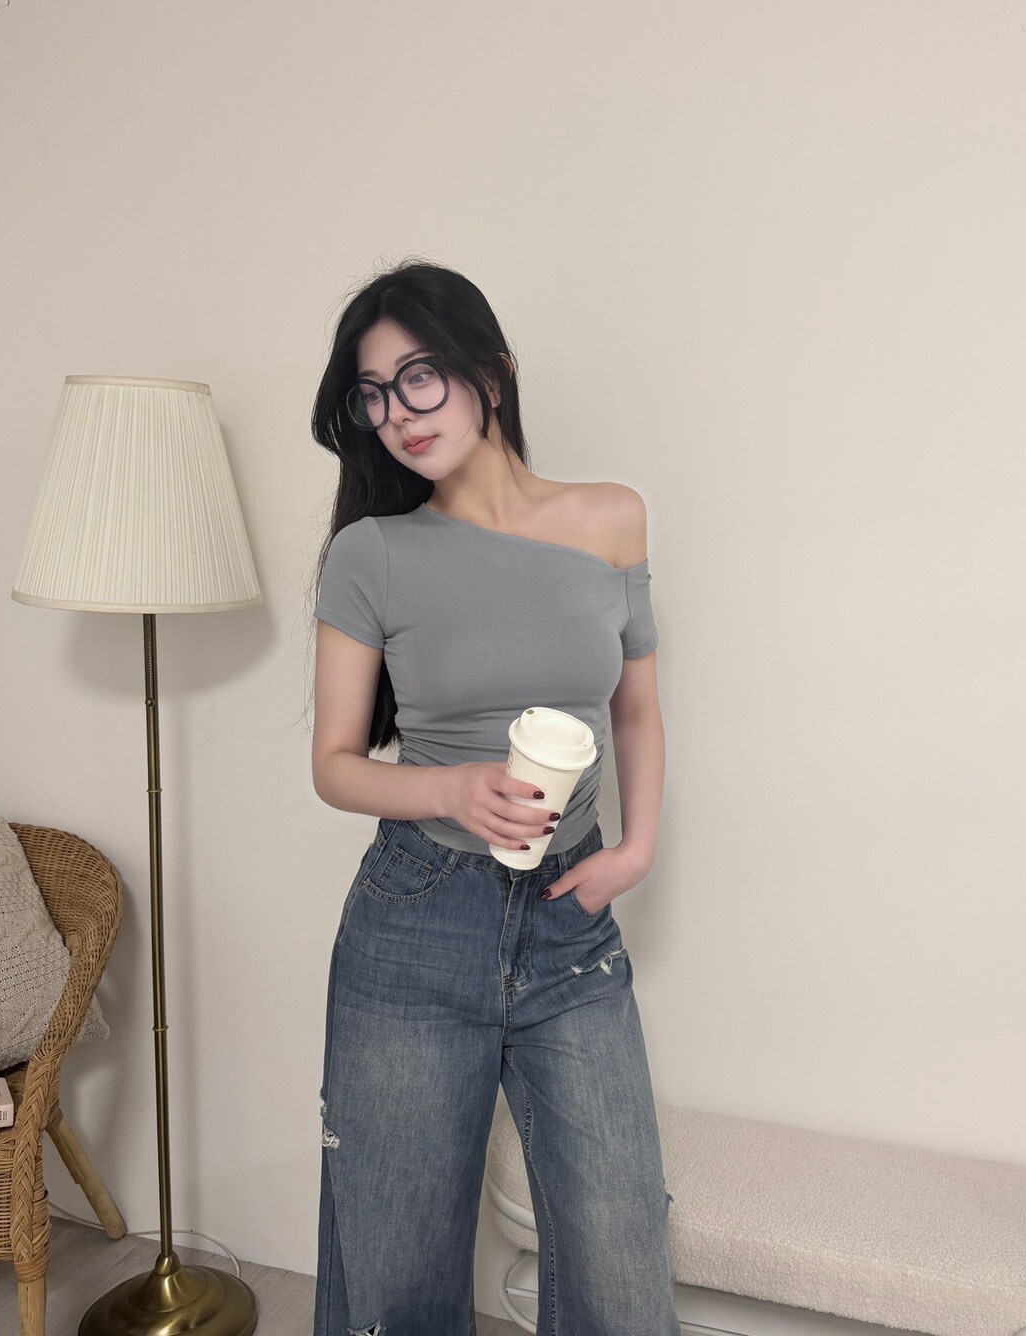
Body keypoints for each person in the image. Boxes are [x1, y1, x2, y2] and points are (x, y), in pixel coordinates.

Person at [309, 261, 678, 1336]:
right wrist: (453, 788)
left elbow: (637, 712)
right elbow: (335, 763)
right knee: (398, 1283)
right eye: (373, 394)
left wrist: (636, 848)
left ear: (493, 373)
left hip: (570, 925)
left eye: (419, 376)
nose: (397, 412)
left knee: (619, 1265)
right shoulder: (371, 553)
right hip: (416, 919)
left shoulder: (611, 518)